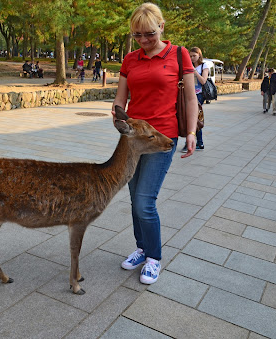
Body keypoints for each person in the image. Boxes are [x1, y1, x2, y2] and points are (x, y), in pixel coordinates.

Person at [112, 2, 197, 285]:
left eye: (149, 33)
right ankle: (142, 248)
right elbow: (120, 98)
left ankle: (154, 258)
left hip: (162, 138)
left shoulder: (178, 54)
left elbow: (190, 98)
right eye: (137, 35)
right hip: (133, 140)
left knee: (145, 202)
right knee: (135, 198)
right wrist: (117, 114)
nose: (144, 40)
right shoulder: (130, 59)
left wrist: (193, 133)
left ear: (161, 26)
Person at [181, 46, 208, 152]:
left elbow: (203, 81)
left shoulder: (204, 66)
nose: (192, 58)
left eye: (194, 56)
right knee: (189, 118)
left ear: (199, 55)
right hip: (188, 94)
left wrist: (194, 71)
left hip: (199, 95)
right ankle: (197, 142)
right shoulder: (188, 65)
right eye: (190, 56)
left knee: (194, 119)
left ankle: (197, 143)